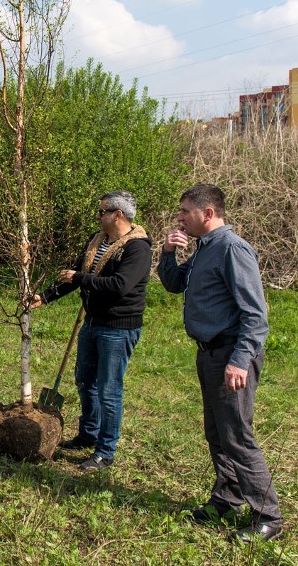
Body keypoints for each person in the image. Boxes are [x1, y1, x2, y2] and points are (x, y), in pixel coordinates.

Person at [157, 183, 283, 543]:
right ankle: (227, 499)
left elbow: (256, 316)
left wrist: (240, 360)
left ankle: (268, 515)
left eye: (185, 211)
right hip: (209, 353)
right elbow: (174, 284)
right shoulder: (204, 249)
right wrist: (168, 253)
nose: (179, 217)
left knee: (237, 436)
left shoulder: (232, 249)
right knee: (217, 433)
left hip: (230, 355)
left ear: (207, 214)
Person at [32, 191, 151, 472]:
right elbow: (74, 274)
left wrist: (82, 278)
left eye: (101, 212)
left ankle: (105, 451)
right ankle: (88, 434)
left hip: (118, 329)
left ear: (117, 215)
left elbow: (120, 285)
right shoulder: (97, 240)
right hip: (93, 322)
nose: (98, 217)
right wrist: (46, 296)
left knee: (109, 390)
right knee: (85, 381)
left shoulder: (137, 248)